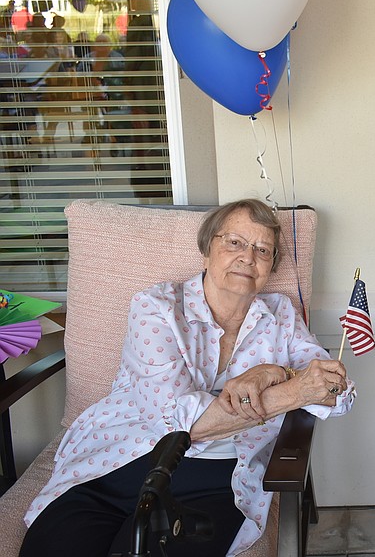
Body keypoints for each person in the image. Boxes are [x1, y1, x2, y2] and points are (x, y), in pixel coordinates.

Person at [21, 199, 356, 557]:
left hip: (219, 479)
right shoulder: (157, 307)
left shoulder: (281, 314)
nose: (248, 256)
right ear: (206, 248)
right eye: (235, 242)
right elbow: (177, 422)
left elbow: (337, 391)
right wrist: (290, 393)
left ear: (270, 267)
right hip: (125, 458)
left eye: (263, 249)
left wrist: (276, 372)